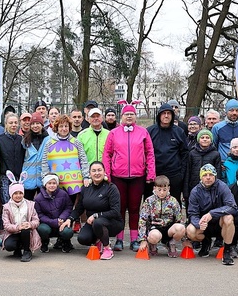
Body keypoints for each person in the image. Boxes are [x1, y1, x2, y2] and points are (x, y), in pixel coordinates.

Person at [104, 104, 156, 252]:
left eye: (131, 114)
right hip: (118, 176)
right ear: (121, 116)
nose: (129, 116)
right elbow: (107, 154)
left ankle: (134, 239)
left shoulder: (143, 132)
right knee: (119, 208)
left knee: (134, 209)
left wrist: (151, 173)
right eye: (126, 114)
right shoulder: (113, 133)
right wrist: (107, 174)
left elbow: (150, 153)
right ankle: (119, 239)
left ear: (135, 116)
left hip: (137, 176)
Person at [65, 161, 122, 260]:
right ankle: (99, 240)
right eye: (94, 171)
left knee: (98, 222)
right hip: (92, 223)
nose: (97, 173)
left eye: (99, 170)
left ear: (104, 172)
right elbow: (79, 208)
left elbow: (115, 211)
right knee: (82, 238)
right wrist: (70, 219)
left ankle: (107, 249)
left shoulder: (111, 188)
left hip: (112, 222)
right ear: (90, 173)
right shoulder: (85, 188)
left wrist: (96, 215)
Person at [186, 164, 238, 265]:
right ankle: (206, 242)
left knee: (229, 218)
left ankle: (227, 250)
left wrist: (212, 214)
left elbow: (232, 207)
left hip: (220, 223)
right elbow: (192, 214)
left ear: (215, 176)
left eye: (211, 175)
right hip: (204, 225)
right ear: (201, 177)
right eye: (205, 175)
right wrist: (199, 224)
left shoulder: (222, 187)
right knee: (190, 230)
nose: (208, 177)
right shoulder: (195, 191)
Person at [41, 114, 89, 201]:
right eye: (61, 126)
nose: (64, 129)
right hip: (56, 184)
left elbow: (83, 160)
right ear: (57, 128)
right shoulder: (49, 144)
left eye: (66, 126)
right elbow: (44, 163)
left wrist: (86, 176)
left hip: (74, 184)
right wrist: (45, 179)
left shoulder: (76, 142)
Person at [146, 102, 187, 204]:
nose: (166, 116)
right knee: (152, 203)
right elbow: (145, 152)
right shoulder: (150, 131)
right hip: (154, 173)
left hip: (174, 174)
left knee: (174, 203)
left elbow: (185, 153)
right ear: (159, 115)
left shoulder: (179, 132)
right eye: (163, 113)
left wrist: (181, 174)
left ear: (172, 115)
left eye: (169, 113)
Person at [138, 175, 186, 258]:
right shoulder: (149, 201)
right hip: (154, 228)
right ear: (154, 188)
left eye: (164, 189)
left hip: (169, 228)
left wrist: (184, 239)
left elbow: (180, 219)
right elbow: (142, 220)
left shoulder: (173, 201)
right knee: (154, 236)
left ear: (168, 189)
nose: (162, 192)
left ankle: (171, 243)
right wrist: (143, 239)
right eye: (159, 190)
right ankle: (152, 244)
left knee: (181, 228)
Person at [0, 174, 40, 262]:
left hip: (27, 232)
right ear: (11, 194)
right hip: (13, 232)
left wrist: (29, 224)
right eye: (15, 193)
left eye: (20, 193)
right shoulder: (6, 207)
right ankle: (17, 249)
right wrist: (18, 227)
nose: (18, 195)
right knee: (9, 246)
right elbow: (6, 225)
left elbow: (36, 220)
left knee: (25, 230)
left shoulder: (30, 204)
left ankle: (27, 251)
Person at [34, 173, 74, 253]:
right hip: (47, 223)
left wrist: (62, 218)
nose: (52, 185)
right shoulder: (38, 198)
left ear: (57, 184)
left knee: (67, 231)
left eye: (54, 183)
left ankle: (65, 241)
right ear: (45, 184)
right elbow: (39, 214)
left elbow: (68, 207)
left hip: (62, 222)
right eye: (49, 183)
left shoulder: (63, 194)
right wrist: (53, 222)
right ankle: (44, 242)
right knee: (43, 229)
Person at [0, 113, 25, 203]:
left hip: (19, 178)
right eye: (11, 123)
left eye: (15, 122)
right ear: (6, 124)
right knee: (7, 204)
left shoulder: (22, 139)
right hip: (5, 178)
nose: (13, 125)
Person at [186, 129, 221, 201]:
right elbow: (188, 172)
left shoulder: (216, 154)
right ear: (198, 140)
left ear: (211, 140)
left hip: (210, 186)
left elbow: (218, 172)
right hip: (194, 185)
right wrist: (186, 191)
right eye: (202, 137)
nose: (205, 139)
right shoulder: (192, 153)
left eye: (207, 138)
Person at [21, 112, 49, 199]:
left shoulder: (48, 140)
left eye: (37, 123)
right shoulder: (25, 140)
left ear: (42, 125)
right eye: (33, 124)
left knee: (43, 203)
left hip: (43, 179)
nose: (35, 126)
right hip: (28, 180)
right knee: (27, 203)